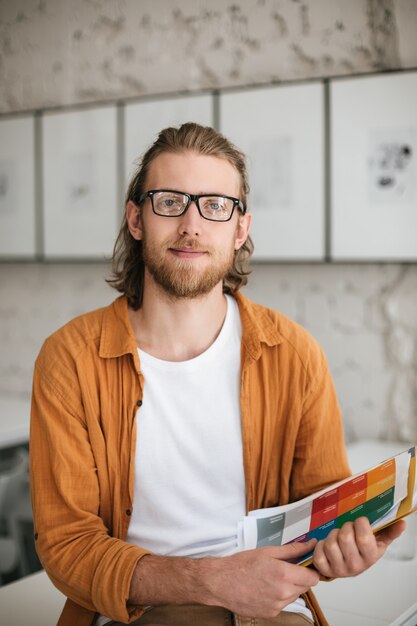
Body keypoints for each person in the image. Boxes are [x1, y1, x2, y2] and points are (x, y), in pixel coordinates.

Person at [30, 123, 405, 626]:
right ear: (136, 218)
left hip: (272, 610)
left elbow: (320, 512)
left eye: (214, 205)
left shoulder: (294, 354)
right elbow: (67, 545)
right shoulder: (69, 360)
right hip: (134, 610)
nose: (191, 224)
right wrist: (211, 579)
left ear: (240, 229)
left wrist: (344, 549)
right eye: (169, 202)